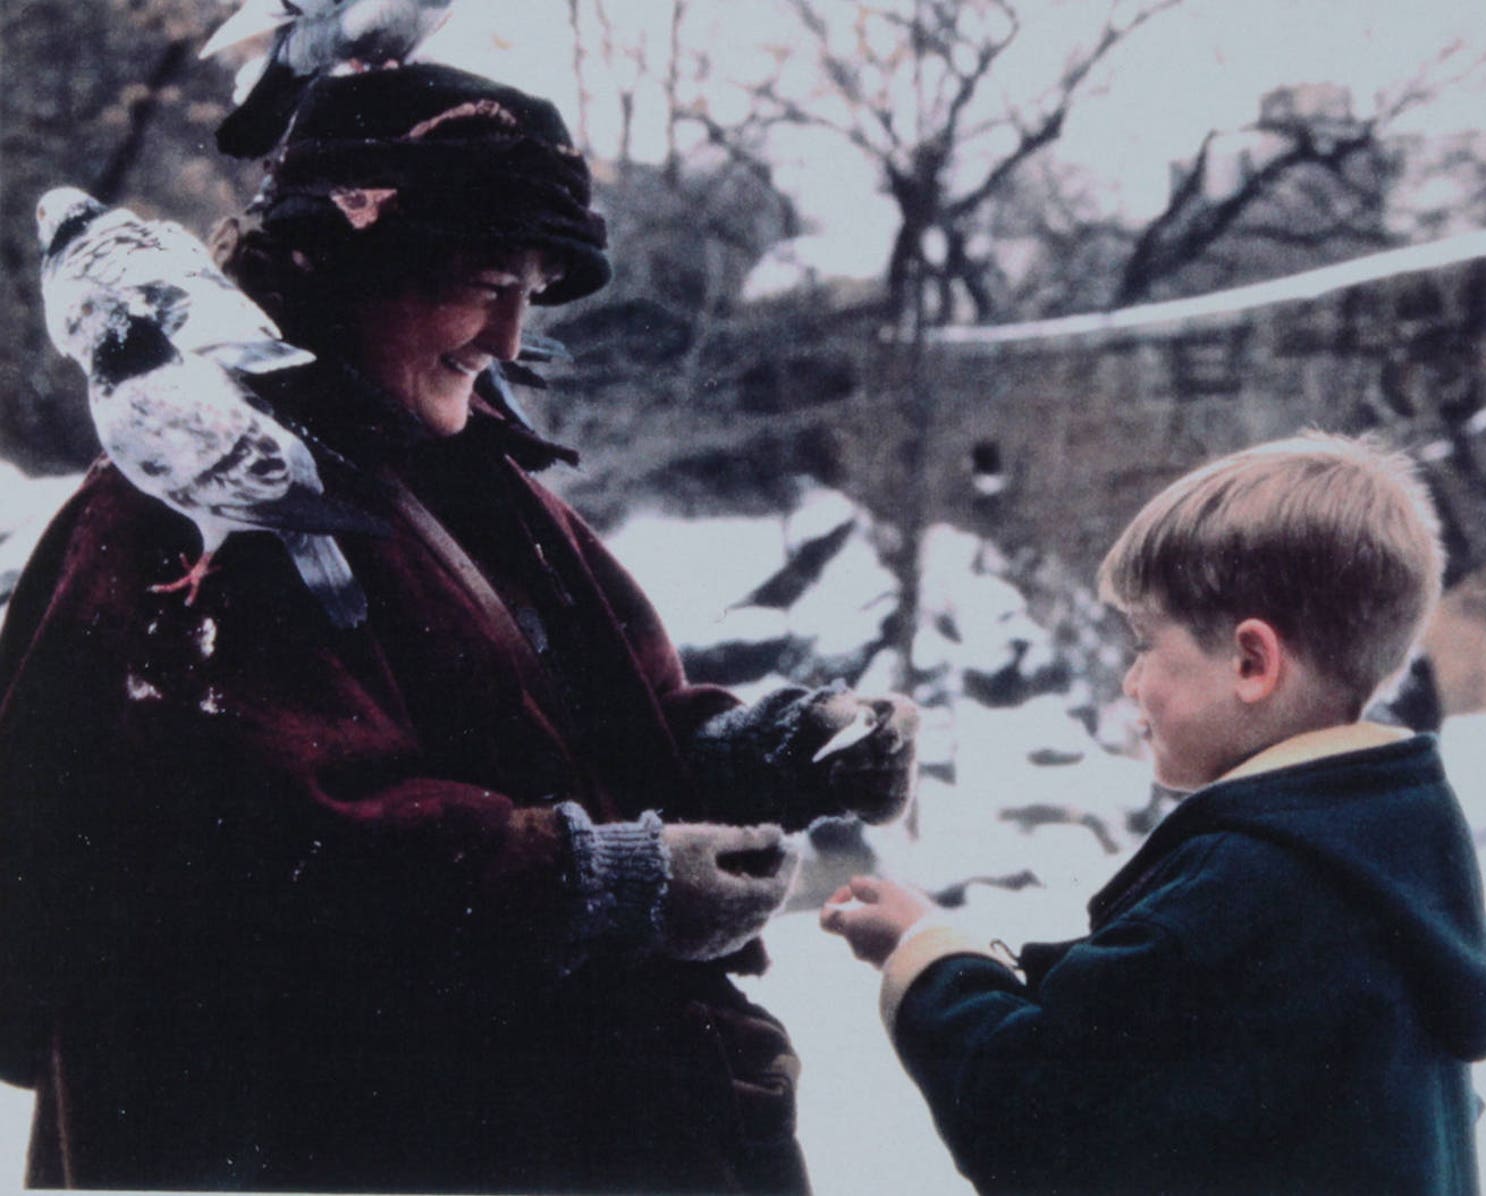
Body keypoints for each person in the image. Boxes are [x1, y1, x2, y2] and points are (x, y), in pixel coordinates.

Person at [0, 65, 919, 1193]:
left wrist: (761, 752)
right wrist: (590, 880)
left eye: (532, 286)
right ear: (347, 266)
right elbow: (242, 855)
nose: (511, 331)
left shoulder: (462, 461)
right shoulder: (173, 504)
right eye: (485, 281)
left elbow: (586, 715)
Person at [820, 432, 1486, 1194]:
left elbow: (1033, 1122)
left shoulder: (1238, 888)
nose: (1130, 682)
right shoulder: (1399, 851)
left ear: (1252, 663)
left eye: (1146, 645)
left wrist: (925, 954)